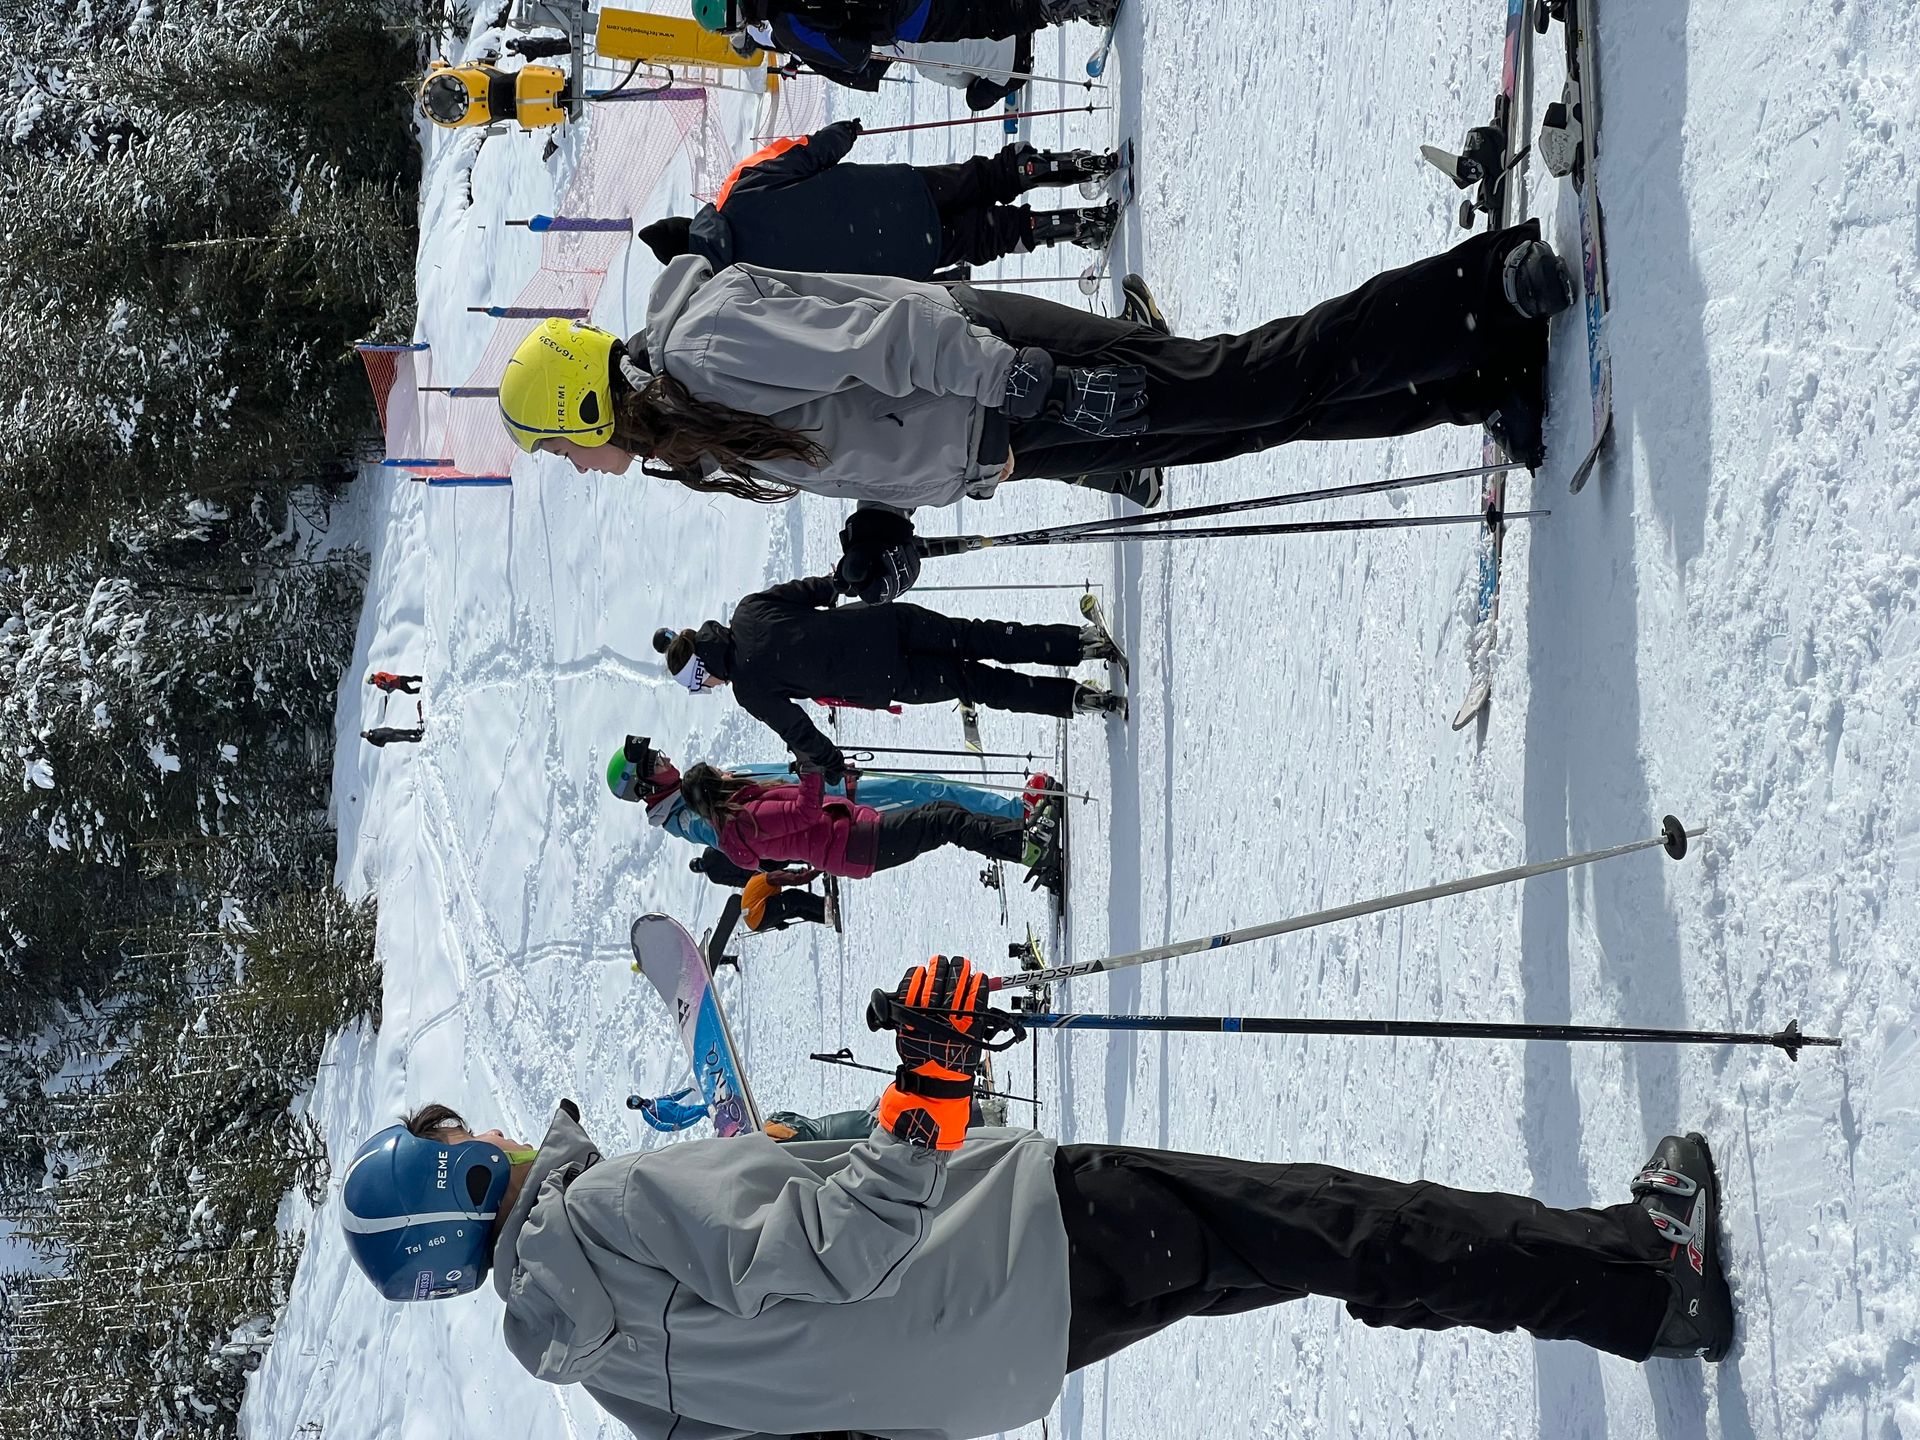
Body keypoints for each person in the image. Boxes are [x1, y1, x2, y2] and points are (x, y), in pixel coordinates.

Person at [339, 956, 1736, 1440]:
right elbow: (825, 1257)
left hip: (1014, 1339)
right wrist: (929, 1096)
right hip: (1022, 1240)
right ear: (460, 1174)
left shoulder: (609, 1380)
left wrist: (879, 1127)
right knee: (1335, 1221)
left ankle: (1618, 1282)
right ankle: (1640, 1276)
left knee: (1314, 1252)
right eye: (455, 1130)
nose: (486, 1126)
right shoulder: (591, 1220)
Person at [493, 221, 1574, 549]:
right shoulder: (690, 425)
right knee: (1233, 431)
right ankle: (1469, 378)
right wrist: (883, 522)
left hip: (996, 370)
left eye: (561, 447)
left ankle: (1486, 288)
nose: (578, 468)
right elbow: (858, 426)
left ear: (587, 407)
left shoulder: (706, 347)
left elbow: (885, 332)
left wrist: (1019, 379)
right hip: (993, 437)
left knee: (1244, 377)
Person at [638, 121, 1118, 281]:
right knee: (982, 178)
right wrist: (844, 132)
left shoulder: (741, 284)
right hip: (891, 193)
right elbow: (806, 155)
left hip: (893, 259)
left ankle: (1079, 226)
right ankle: (1075, 166)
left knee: (984, 237)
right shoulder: (742, 190)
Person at [677, 762, 1062, 892]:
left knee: (942, 815)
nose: (727, 771)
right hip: (853, 841)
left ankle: (1024, 842)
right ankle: (1027, 846)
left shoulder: (737, 823)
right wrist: (811, 770)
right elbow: (804, 814)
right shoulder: (746, 818)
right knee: (945, 820)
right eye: (718, 772)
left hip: (852, 844)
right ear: (717, 785)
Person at [606, 735, 1025, 846]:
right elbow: (753, 826)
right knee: (926, 794)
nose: (662, 759)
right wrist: (828, 789)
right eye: (652, 764)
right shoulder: (690, 818)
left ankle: (1013, 817)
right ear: (644, 787)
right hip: (833, 804)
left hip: (826, 788)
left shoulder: (690, 793)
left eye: (656, 752)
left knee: (927, 795)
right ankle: (1016, 815)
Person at [691, 0, 1114, 93]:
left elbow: (850, 56)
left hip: (904, 16)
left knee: (988, 15)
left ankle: (1074, 4)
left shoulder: (786, 28)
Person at [360, 725, 424, 747]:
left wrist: (388, 729)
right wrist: (386, 739)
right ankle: (418, 739)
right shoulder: (371, 740)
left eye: (365, 733)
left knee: (406, 731)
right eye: (364, 735)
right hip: (392, 738)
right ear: (365, 737)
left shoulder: (372, 731)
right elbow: (380, 745)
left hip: (392, 731)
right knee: (405, 738)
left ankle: (417, 732)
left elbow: (382, 729)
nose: (366, 734)